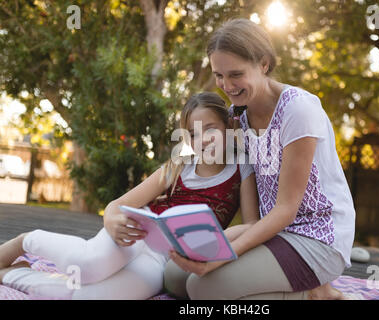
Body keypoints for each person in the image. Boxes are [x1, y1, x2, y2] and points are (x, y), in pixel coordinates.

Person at [165, 18, 356, 300]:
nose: (226, 85)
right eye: (219, 75)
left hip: (317, 237)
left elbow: (286, 210)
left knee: (202, 288)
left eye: (236, 74)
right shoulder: (237, 116)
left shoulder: (298, 111)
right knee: (175, 276)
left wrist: (223, 257)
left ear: (264, 64)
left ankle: (318, 295)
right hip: (272, 232)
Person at [0, 92, 259, 299]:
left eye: (210, 129)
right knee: (89, 268)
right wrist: (112, 219)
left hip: (162, 261)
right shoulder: (178, 166)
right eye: (193, 133)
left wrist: (216, 239)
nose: (202, 140)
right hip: (136, 235)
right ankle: (26, 241)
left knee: (90, 297)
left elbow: (252, 224)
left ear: (228, 126)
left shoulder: (241, 168)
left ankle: (11, 275)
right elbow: (117, 206)